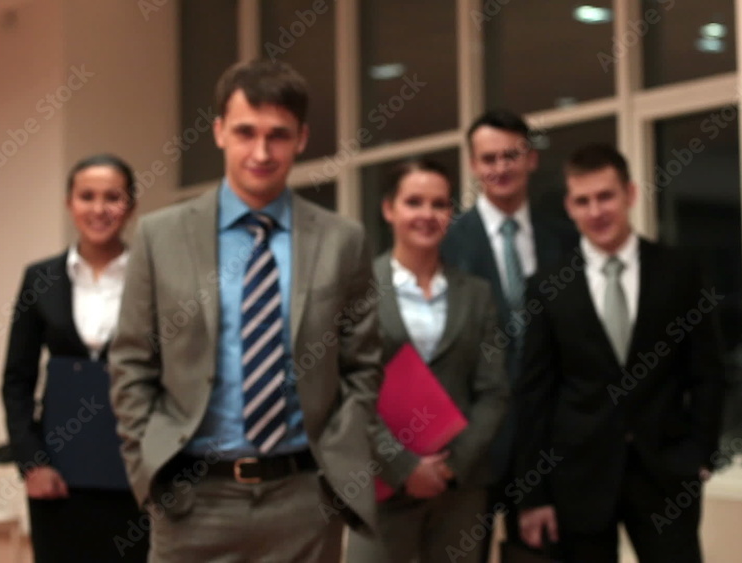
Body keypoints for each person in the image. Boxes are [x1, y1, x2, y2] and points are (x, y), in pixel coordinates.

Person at [108, 59, 382, 562]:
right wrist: (147, 465)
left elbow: (362, 366)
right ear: (218, 133)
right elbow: (131, 361)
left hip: (303, 501)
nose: (261, 151)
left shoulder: (343, 241)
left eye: (278, 135)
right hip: (191, 500)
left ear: (301, 138)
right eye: (245, 132)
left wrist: (336, 467)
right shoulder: (159, 236)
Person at [515, 143, 726, 562]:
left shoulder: (680, 270)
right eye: (583, 200)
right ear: (569, 207)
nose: (596, 211)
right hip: (578, 478)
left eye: (606, 196)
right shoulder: (547, 286)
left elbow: (709, 372)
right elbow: (534, 395)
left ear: (629, 194)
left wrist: (700, 453)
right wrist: (532, 494)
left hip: (666, 475)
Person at [347, 159, 509, 563]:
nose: (427, 214)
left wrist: (451, 466)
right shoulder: (357, 291)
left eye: (439, 204)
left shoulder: (477, 294)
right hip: (381, 483)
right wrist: (403, 466)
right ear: (389, 209)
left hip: (459, 489)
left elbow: (494, 390)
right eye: (414, 202)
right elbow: (349, 390)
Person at [440, 109, 577, 558]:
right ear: (474, 166)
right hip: (470, 448)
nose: (500, 168)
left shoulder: (566, 239)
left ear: (531, 159)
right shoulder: (446, 243)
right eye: (489, 159)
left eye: (510, 156)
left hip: (547, 448)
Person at [1, 154, 148, 562]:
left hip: (136, 475)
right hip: (59, 477)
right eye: (87, 196)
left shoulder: (152, 277)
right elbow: (17, 381)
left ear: (131, 206)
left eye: (112, 197)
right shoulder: (40, 279)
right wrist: (32, 463)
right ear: (70, 203)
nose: (99, 209)